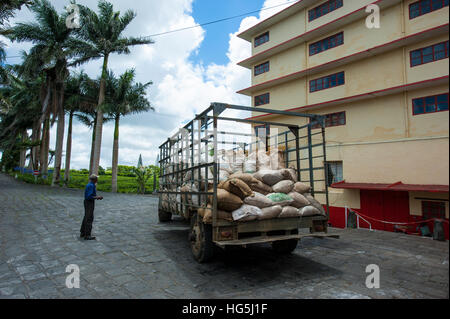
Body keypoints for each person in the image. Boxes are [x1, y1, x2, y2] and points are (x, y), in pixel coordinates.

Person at [80, 174, 103, 240]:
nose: (97, 180)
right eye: (96, 178)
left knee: (86, 217)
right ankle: (87, 234)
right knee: (89, 218)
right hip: (89, 202)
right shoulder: (91, 186)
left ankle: (83, 232)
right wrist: (97, 197)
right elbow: (89, 196)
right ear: (94, 179)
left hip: (88, 202)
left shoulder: (90, 185)